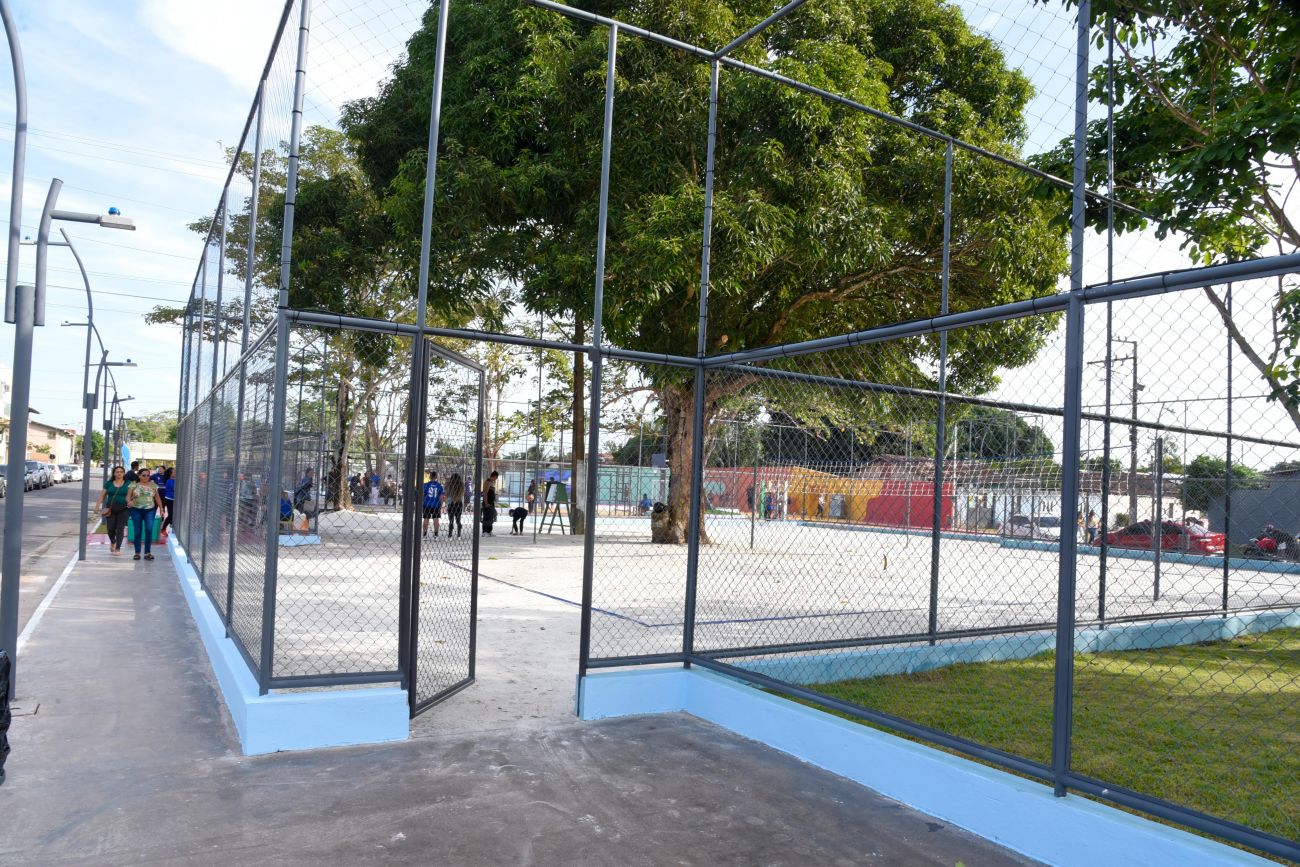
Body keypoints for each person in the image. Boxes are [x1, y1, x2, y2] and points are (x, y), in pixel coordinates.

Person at [126, 470, 163, 561]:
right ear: (139, 476)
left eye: (148, 475)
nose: (146, 477)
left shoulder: (153, 485)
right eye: (144, 475)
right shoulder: (133, 484)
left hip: (150, 510)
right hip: (135, 510)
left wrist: (161, 508)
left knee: (149, 530)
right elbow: (128, 496)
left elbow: (157, 497)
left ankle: (147, 553)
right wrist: (129, 502)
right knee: (137, 531)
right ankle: (137, 553)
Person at [97, 465, 131, 555]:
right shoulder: (109, 483)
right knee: (110, 528)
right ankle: (113, 541)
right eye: (117, 472)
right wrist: (97, 507)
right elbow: (102, 495)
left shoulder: (129, 483)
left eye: (121, 472)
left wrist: (132, 502)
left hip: (124, 509)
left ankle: (118, 548)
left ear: (124, 473)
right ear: (114, 474)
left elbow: (135, 494)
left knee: (120, 528)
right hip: (110, 509)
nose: (119, 473)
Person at [422, 471, 445, 538]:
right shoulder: (439, 486)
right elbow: (441, 497)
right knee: (436, 519)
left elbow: (422, 495)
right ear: (436, 477)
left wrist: (422, 503)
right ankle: (436, 535)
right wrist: (441, 506)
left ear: (430, 477)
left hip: (427, 504)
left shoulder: (425, 485)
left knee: (426, 519)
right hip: (436, 504)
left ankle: (424, 535)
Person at [445, 473, 465, 538]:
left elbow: (446, 494)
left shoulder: (449, 485)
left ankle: (450, 534)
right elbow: (462, 494)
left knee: (451, 520)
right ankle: (459, 534)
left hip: (451, 503)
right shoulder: (461, 485)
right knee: (458, 519)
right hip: (459, 503)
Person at [481, 470, 499, 536]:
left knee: (491, 517)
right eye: (496, 478)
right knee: (486, 517)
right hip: (487, 502)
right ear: (494, 476)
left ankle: (489, 531)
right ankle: (484, 532)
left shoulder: (492, 483)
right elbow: (485, 493)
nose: (496, 479)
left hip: (491, 503)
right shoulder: (487, 482)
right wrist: (486, 503)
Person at [159, 468, 176, 537]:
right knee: (171, 515)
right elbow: (175, 489)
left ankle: (171, 529)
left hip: (173, 500)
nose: (175, 473)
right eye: (174, 472)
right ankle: (163, 529)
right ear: (170, 474)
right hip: (169, 500)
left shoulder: (174, 480)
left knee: (172, 515)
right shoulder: (169, 481)